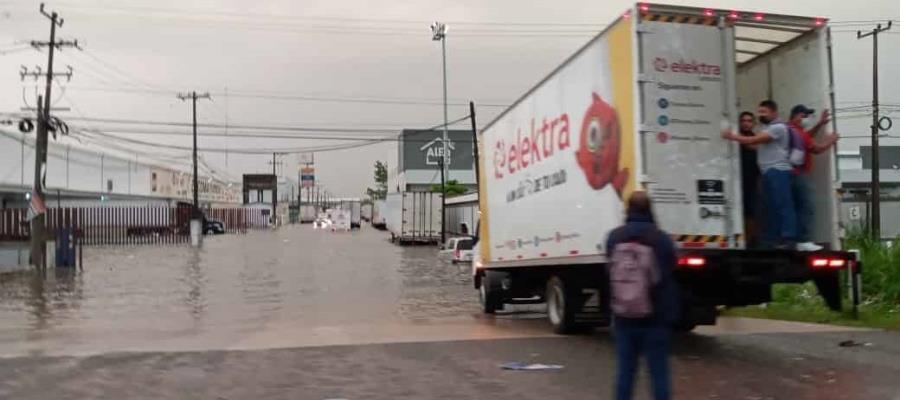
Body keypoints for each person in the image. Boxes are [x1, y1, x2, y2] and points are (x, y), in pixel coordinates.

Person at [606, 191, 679, 400]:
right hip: (656, 316)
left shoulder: (614, 237)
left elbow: (609, 269)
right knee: (658, 375)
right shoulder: (660, 238)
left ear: (627, 209)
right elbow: (670, 268)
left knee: (625, 373)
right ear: (650, 209)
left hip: (623, 317)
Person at [722, 100, 797, 249]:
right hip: (768, 172)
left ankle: (788, 239)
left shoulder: (777, 127)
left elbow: (754, 140)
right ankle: (774, 239)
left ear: (774, 112)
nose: (761, 115)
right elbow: (755, 145)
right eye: (760, 112)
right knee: (770, 207)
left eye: (764, 112)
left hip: (778, 171)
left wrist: (732, 136)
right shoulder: (768, 128)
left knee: (782, 205)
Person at [788, 105, 839, 251]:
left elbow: (807, 137)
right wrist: (831, 140)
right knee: (806, 207)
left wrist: (820, 124)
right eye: (804, 116)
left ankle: (794, 241)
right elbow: (816, 148)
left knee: (795, 208)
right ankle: (803, 240)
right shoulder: (798, 133)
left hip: (790, 175)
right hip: (799, 174)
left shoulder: (790, 130)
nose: (806, 119)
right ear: (796, 116)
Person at [738, 111, 761, 247]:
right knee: (741, 210)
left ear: (753, 123)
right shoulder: (739, 137)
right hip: (739, 180)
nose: (746, 123)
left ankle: (751, 239)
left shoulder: (755, 137)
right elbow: (748, 144)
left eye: (749, 121)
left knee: (752, 211)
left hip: (752, 180)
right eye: (743, 120)